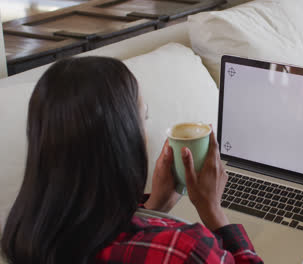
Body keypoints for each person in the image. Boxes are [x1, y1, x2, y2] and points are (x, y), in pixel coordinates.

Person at [1, 57, 263, 264]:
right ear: (122, 140)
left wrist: (153, 206)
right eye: (143, 119)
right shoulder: (185, 249)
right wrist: (213, 210)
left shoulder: (23, 235)